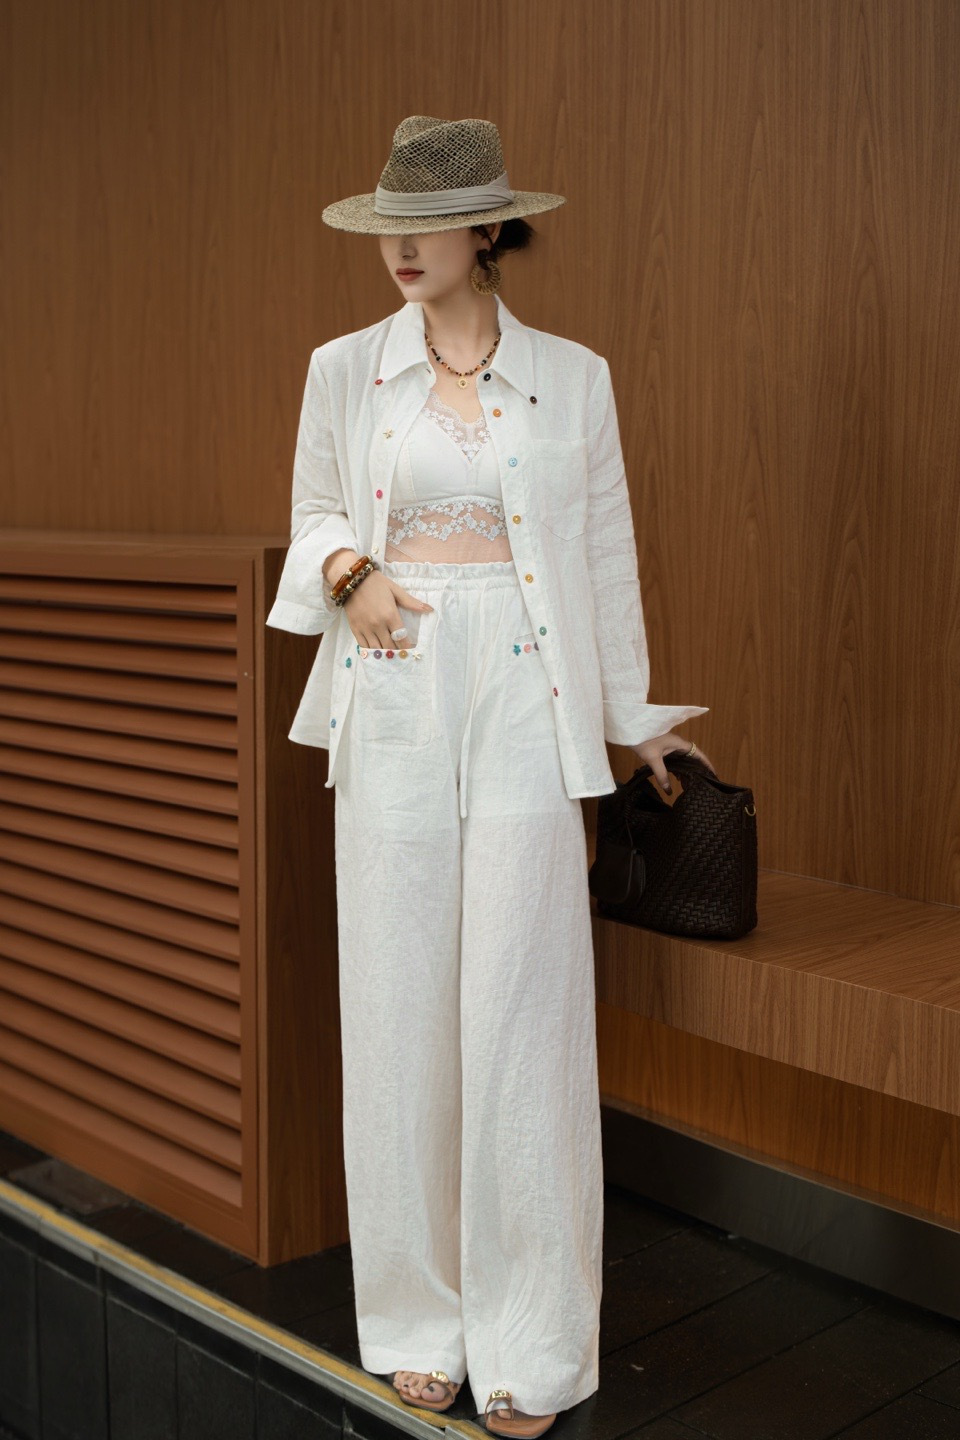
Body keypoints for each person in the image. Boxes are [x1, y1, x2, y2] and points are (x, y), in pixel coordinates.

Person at [266, 115, 715, 1438]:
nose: (401, 251)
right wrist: (350, 572)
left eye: (427, 227)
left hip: (527, 695)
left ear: (488, 229)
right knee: (397, 1003)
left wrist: (634, 723)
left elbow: (607, 555)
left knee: (523, 1015)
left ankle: (530, 1342)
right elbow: (312, 512)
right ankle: (418, 1321)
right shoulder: (344, 371)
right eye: (387, 230)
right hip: (396, 685)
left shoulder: (574, 379)